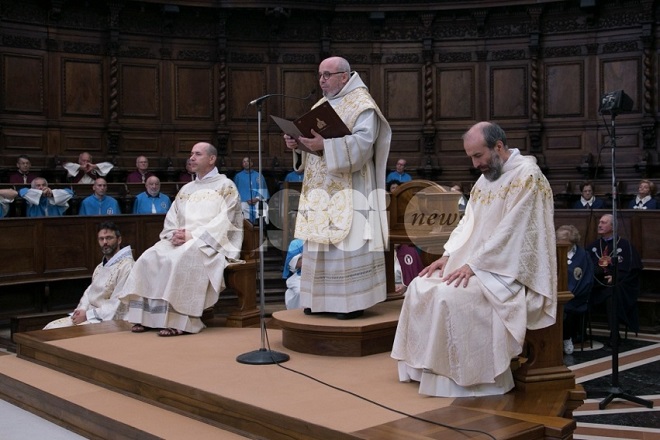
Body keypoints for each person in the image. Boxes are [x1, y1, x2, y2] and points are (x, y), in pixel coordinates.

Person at [391, 121, 557, 397]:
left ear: (498, 146)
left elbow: (513, 231)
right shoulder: (486, 179)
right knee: (420, 286)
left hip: (506, 269)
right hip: (475, 262)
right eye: (471, 157)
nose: (475, 163)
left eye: (478, 155)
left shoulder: (528, 177)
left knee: (448, 294)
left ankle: (465, 378)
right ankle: (425, 370)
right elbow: (468, 222)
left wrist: (475, 264)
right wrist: (448, 256)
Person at [283, 55, 391, 320]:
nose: (322, 80)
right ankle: (317, 300)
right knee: (319, 244)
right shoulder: (322, 104)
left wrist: (326, 145)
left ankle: (350, 303)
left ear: (344, 76)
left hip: (350, 188)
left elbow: (364, 145)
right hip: (320, 191)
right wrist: (298, 144)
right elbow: (312, 144)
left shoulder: (362, 104)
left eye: (327, 75)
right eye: (320, 75)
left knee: (346, 245)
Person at [119, 142, 243, 336]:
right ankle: (148, 318)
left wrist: (192, 236)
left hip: (208, 243)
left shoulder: (226, 186)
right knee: (149, 257)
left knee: (179, 260)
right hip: (181, 239)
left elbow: (226, 220)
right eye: (191, 154)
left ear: (212, 159)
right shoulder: (186, 189)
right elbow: (172, 217)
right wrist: (173, 234)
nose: (191, 158)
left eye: (198, 154)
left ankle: (180, 321)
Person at [43, 222, 134, 329]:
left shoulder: (127, 266)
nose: (105, 242)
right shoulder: (100, 267)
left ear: (119, 240)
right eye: (101, 239)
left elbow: (118, 303)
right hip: (88, 315)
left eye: (109, 238)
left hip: (106, 321)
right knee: (50, 327)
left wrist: (88, 315)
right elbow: (89, 293)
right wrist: (82, 309)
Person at [587, 214, 643, 346]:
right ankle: (578, 333)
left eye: (604, 223)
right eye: (600, 222)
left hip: (618, 285)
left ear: (613, 227)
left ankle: (614, 334)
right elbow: (587, 266)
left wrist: (616, 277)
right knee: (580, 292)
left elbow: (632, 270)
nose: (599, 225)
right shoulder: (593, 246)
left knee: (612, 294)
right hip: (596, 284)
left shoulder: (625, 245)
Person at [556, 224, 594, 355]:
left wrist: (571, 294)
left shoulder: (583, 256)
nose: (560, 244)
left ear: (572, 242)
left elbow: (587, 280)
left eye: (563, 241)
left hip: (576, 296)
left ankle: (566, 338)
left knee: (565, 309)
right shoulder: (553, 253)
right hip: (556, 294)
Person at [233, 156, 269, 224]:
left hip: (257, 201)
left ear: (252, 163)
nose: (246, 163)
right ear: (242, 164)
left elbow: (263, 189)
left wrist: (257, 198)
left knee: (262, 207)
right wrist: (246, 199)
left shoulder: (259, 176)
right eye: (244, 162)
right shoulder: (238, 176)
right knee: (241, 207)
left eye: (248, 161)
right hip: (243, 201)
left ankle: (261, 228)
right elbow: (235, 191)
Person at [282, 238, 304, 309]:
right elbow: (294, 264)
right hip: (302, 276)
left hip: (325, 276)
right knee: (300, 291)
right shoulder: (297, 243)